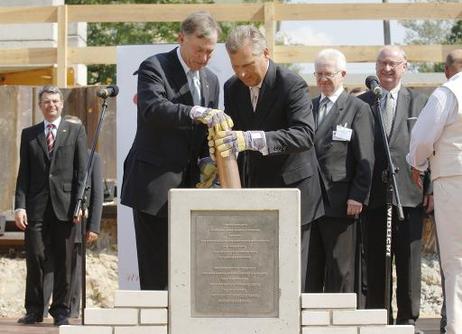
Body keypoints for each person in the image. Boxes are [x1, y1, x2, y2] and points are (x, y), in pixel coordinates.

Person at [120, 11, 232, 290]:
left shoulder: (212, 80)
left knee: (189, 270)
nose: (204, 58)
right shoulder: (154, 67)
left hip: (193, 189)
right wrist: (196, 112)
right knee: (156, 270)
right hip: (154, 185)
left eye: (210, 52)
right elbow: (152, 108)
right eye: (199, 50)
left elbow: (204, 133)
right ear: (181, 38)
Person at [210, 25, 324, 292]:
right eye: (235, 66)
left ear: (266, 53)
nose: (242, 73)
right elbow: (232, 136)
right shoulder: (232, 87)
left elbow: (304, 135)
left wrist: (250, 139)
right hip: (256, 191)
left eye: (248, 65)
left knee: (292, 274)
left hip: (295, 191)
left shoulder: (291, 84)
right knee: (261, 272)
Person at [359, 45, 431, 331]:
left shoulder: (421, 102)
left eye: (393, 64)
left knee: (409, 258)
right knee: (376, 260)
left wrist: (431, 189)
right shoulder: (363, 102)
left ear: (405, 66)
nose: (386, 69)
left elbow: (431, 147)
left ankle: (407, 318)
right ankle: (379, 317)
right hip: (372, 195)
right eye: (382, 64)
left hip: (410, 193)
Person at [14, 86, 87, 326]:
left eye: (55, 101)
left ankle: (61, 310)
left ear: (62, 104)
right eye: (46, 101)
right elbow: (23, 173)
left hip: (65, 208)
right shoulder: (29, 134)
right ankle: (35, 309)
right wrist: (20, 206)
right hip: (35, 208)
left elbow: (81, 173)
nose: (51, 105)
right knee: (35, 257)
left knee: (64, 260)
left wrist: (80, 203)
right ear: (40, 105)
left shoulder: (75, 131)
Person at [306, 49, 374, 295]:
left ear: (343, 74)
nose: (323, 79)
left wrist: (358, 195)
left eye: (329, 74)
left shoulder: (357, 108)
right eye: (319, 74)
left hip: (341, 201)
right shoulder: (308, 107)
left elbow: (365, 156)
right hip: (310, 203)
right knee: (310, 268)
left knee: (339, 268)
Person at [407, 49, 462, 334]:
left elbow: (423, 138)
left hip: (455, 178)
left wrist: (416, 164)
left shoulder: (448, 92)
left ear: (446, 70)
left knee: (456, 260)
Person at [43, 150, 103, 318]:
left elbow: (97, 193)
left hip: (76, 223)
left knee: (73, 269)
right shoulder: (54, 153)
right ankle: (42, 310)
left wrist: (93, 226)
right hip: (52, 221)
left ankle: (72, 310)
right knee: (47, 267)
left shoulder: (93, 157)